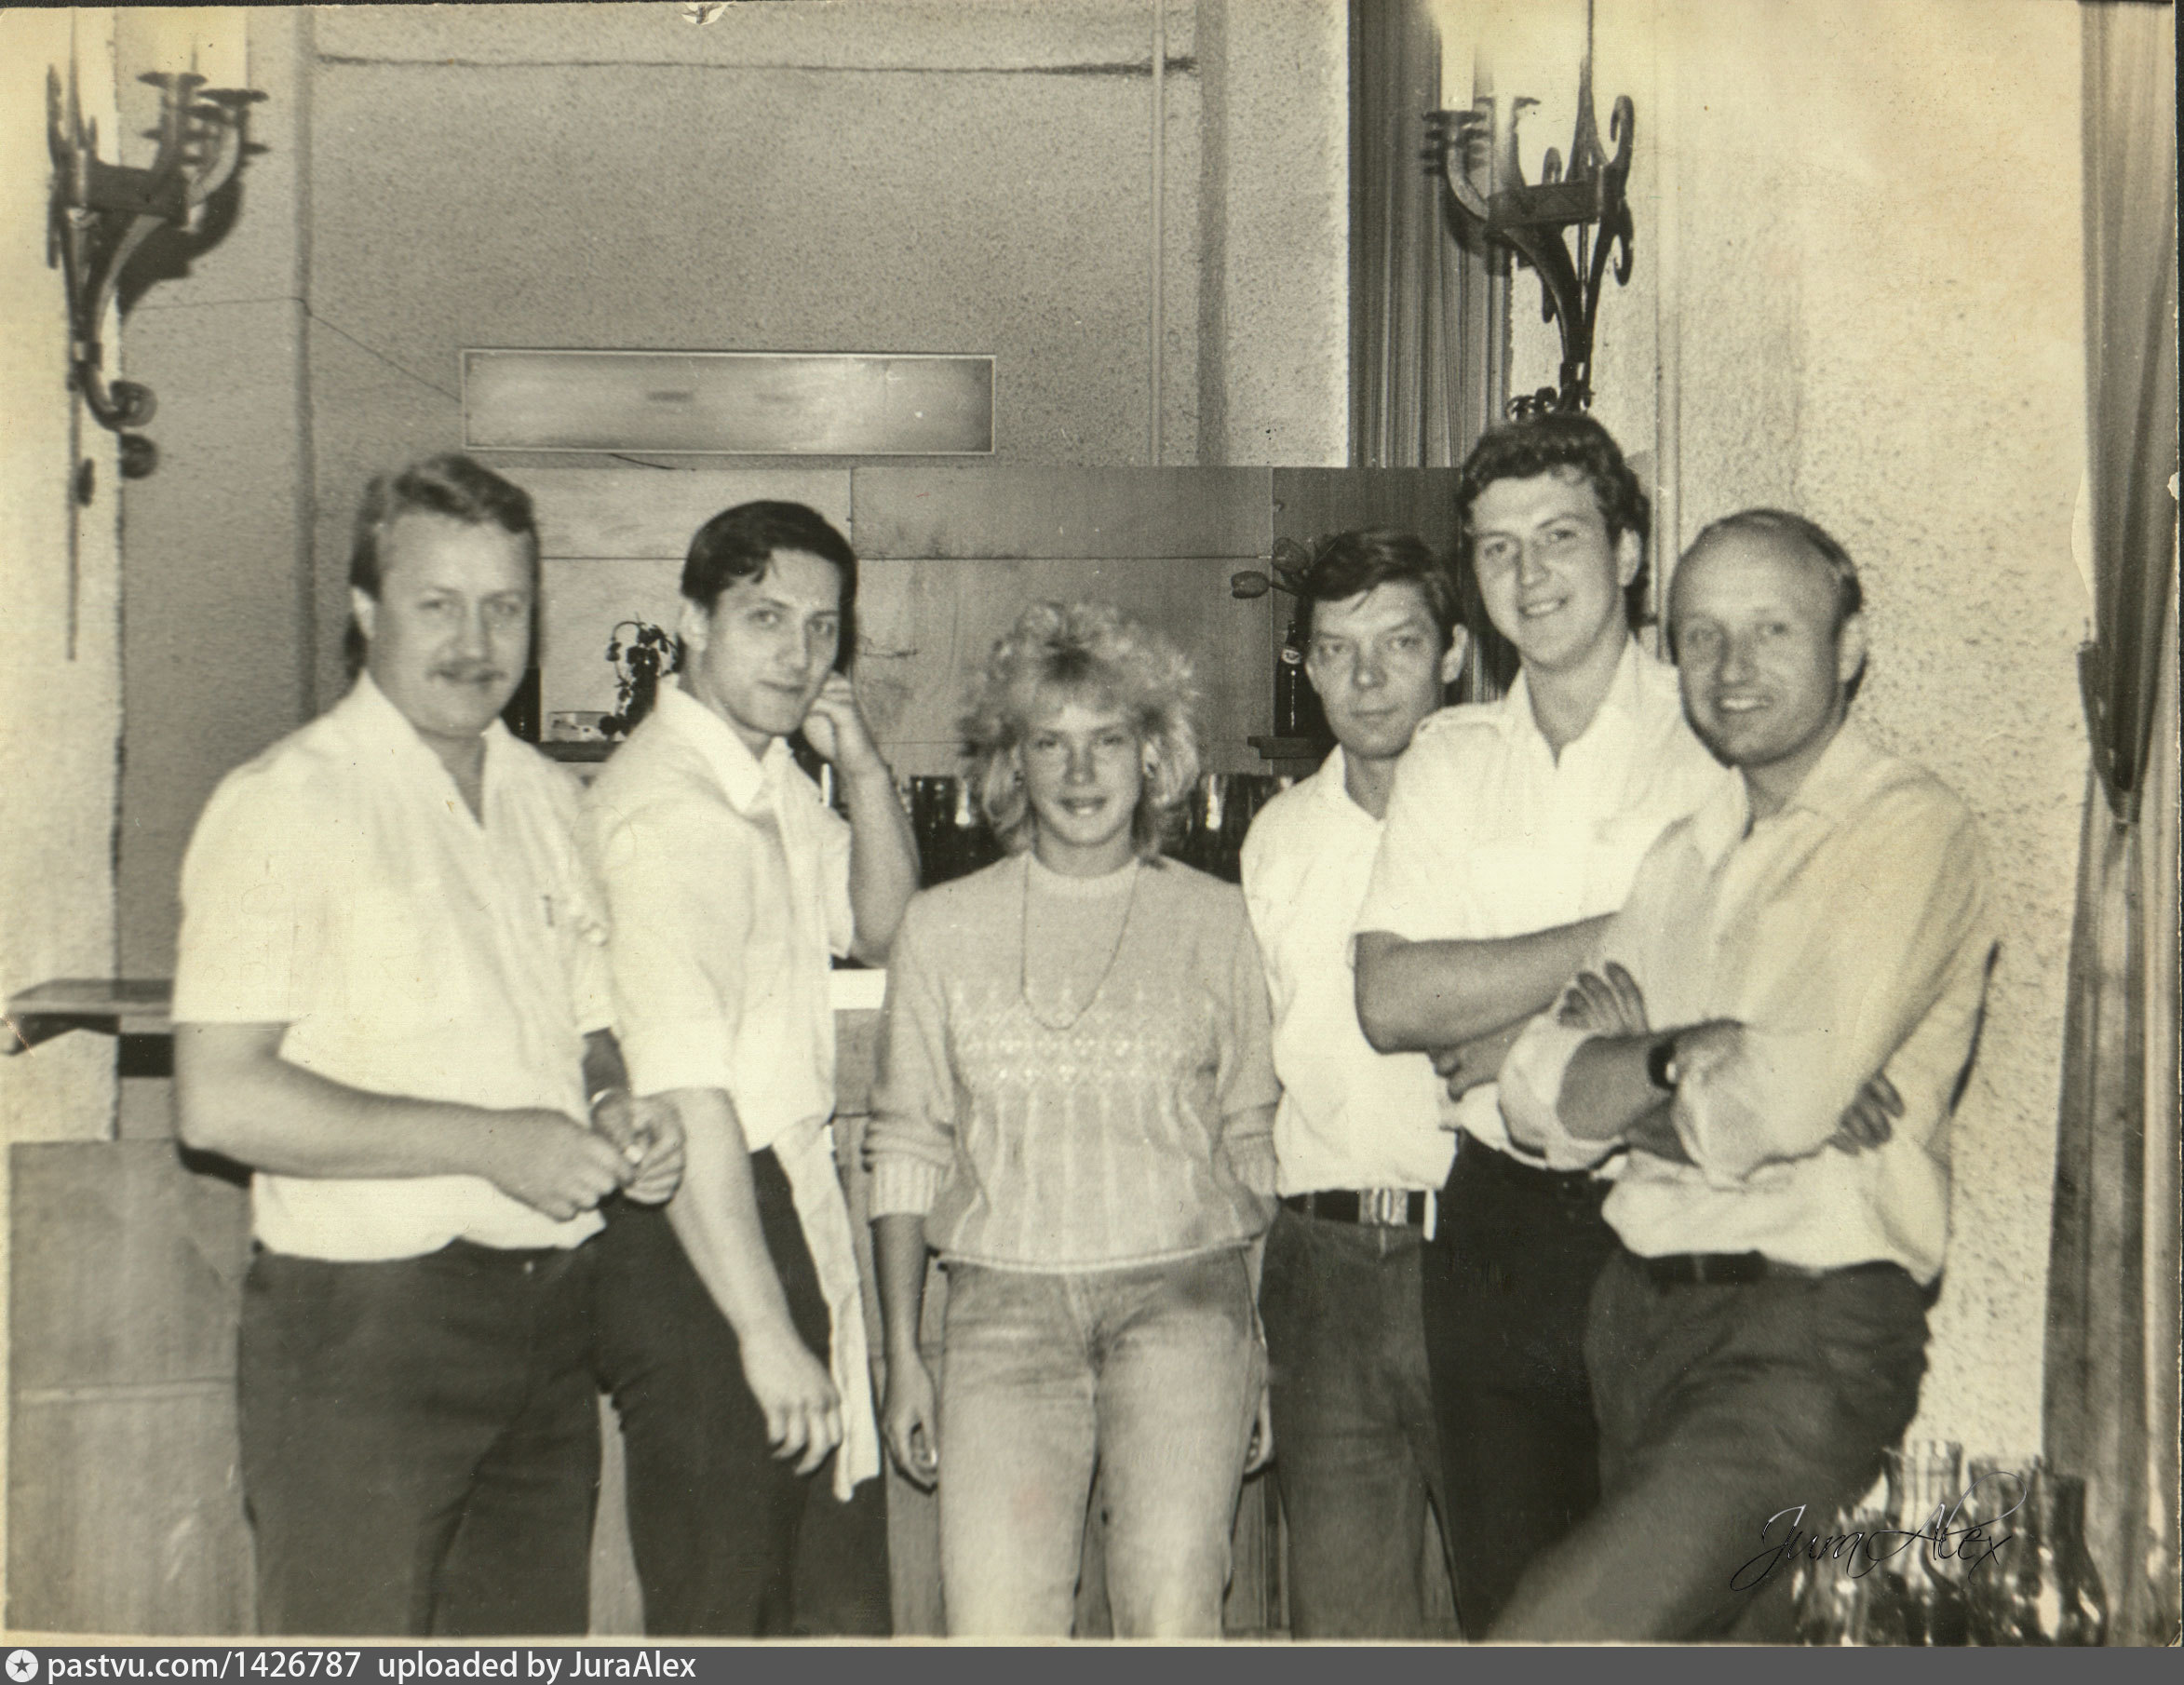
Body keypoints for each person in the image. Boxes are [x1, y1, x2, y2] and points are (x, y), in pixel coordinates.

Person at [172, 453, 683, 1637]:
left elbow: (588, 1030)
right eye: (437, 604)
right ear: (366, 610)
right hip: (362, 1330)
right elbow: (219, 1099)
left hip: (547, 1320)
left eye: (504, 606)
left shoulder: (549, 798)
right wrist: (495, 1143)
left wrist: (616, 1107)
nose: (475, 642)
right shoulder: (285, 799)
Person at [1488, 509, 1992, 1640]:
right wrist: (1682, 1053)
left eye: (1772, 629)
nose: (1732, 666)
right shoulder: (1684, 851)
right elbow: (1531, 1091)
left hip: (1799, 1337)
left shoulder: (1907, 831)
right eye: (1702, 635)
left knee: (1553, 1638)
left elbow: (1778, 1100)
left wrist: (1626, 1089)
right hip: (1638, 1324)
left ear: (1848, 646)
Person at [1351, 413, 1734, 1634]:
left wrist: (1504, 1027)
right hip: (1498, 1229)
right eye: (1497, 547)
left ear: (1626, 551)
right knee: (1514, 1609)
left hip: (1675, 1213)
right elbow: (1390, 1000)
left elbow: (1745, 982)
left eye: (1559, 536)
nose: (1529, 574)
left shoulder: (1715, 734)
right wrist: (1629, 925)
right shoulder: (1450, 756)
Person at [865, 600, 1279, 1638]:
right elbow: (907, 1146)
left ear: (1154, 756)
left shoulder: (1218, 918)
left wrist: (1258, 1347)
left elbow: (1251, 1137)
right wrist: (904, 1354)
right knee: (996, 1623)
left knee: (1173, 1613)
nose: (1081, 771)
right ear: (1013, 763)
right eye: (1051, 742)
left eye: (1109, 740)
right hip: (1001, 1314)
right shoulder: (939, 928)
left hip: (1187, 1305)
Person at [585, 501, 918, 1636]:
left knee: (825, 1607)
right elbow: (687, 1093)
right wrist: (765, 1330)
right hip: (703, 1233)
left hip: (774, 1209)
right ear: (693, 621)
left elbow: (885, 928)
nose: (799, 652)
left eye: (823, 627)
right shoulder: (667, 812)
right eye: (765, 617)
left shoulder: (762, 778)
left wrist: (861, 768)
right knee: (723, 1611)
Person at [1237, 531, 1469, 1638]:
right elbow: (1252, 1082)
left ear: (1455, 654)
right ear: (1309, 668)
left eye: (1399, 644)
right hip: (1320, 1268)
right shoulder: (1277, 841)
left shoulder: (1509, 822)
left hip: (1477, 1253)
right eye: (1337, 650)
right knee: (1342, 1622)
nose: (1367, 678)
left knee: (1518, 1603)